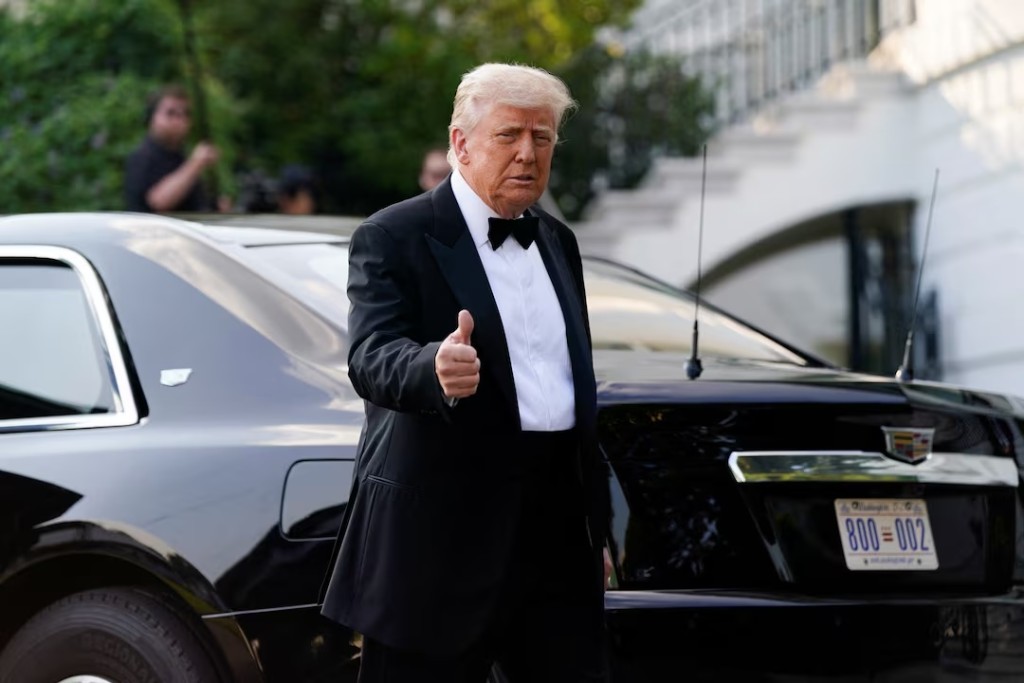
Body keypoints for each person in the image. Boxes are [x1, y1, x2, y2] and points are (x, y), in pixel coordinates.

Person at [321, 63, 610, 682]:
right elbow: (369, 356)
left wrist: (599, 525)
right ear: (461, 143)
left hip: (556, 534)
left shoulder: (558, 241)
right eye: (509, 136)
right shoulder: (393, 234)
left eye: (543, 138)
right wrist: (433, 365)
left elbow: (568, 385)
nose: (529, 155)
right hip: (438, 540)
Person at [123, 85, 218, 213]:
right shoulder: (142, 157)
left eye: (185, 114)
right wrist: (196, 163)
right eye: (170, 113)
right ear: (152, 117)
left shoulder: (180, 157)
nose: (179, 120)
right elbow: (159, 201)